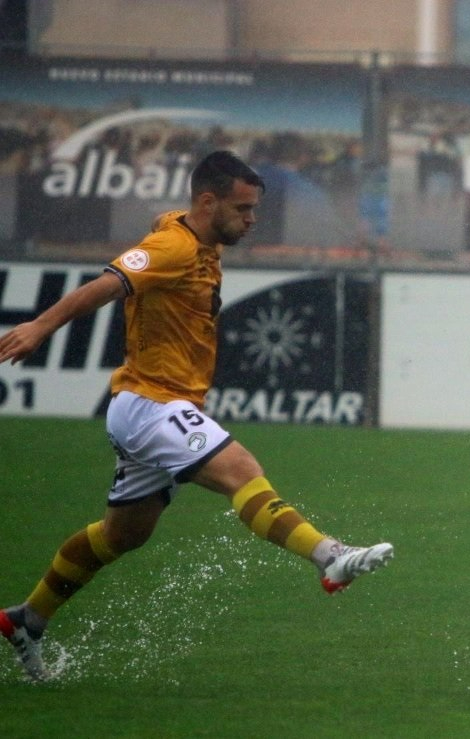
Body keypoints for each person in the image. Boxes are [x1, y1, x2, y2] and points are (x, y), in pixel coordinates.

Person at [0, 150, 393, 681]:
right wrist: (39, 328)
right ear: (208, 202)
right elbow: (107, 284)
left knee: (121, 535)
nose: (252, 220)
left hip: (158, 406)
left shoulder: (196, 238)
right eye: (243, 209)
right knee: (241, 471)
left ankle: (28, 617)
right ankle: (329, 557)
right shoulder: (172, 246)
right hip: (150, 404)